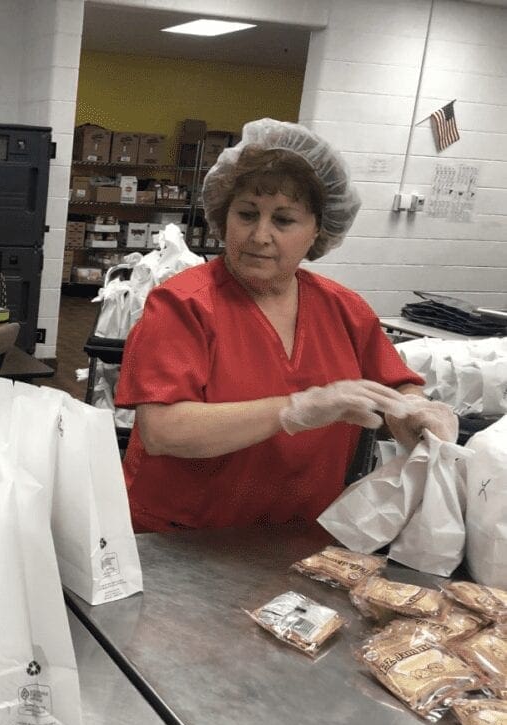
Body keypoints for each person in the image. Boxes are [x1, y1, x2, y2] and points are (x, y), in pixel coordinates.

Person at [114, 118, 457, 532]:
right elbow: (163, 431)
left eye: (283, 220)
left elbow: (396, 388)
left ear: (317, 230)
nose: (259, 235)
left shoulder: (345, 311)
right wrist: (297, 409)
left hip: (295, 540)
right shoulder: (184, 305)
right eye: (246, 215)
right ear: (224, 219)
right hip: (182, 540)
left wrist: (415, 413)